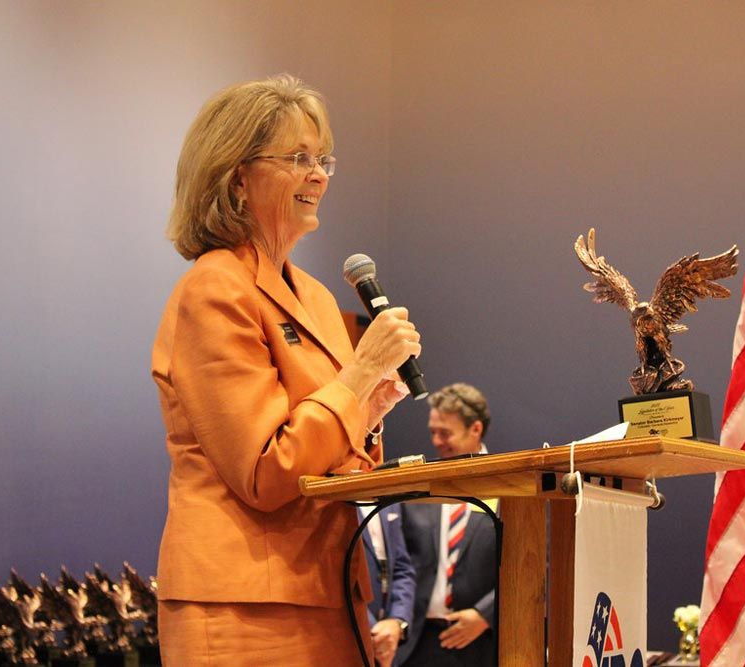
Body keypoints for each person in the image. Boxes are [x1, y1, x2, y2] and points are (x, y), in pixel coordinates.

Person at [150, 75, 421, 666]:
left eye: (324, 159)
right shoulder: (215, 288)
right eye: (298, 158)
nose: (319, 175)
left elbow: (340, 457)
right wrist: (357, 377)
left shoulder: (320, 299)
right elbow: (268, 472)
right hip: (244, 606)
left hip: (331, 594)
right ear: (237, 177)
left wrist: (369, 407)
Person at [397, 383, 497, 667]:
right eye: (433, 432)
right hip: (418, 644)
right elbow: (401, 563)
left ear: (475, 429)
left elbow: (530, 566)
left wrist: (484, 615)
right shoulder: (421, 487)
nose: (437, 442)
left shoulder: (509, 486)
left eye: (445, 433)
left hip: (483, 642)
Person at [359, 505, 416, 666]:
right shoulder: (333, 498)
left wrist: (397, 621)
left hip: (389, 642)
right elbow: (330, 574)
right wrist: (374, 632)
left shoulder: (391, 499)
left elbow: (402, 568)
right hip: (348, 637)